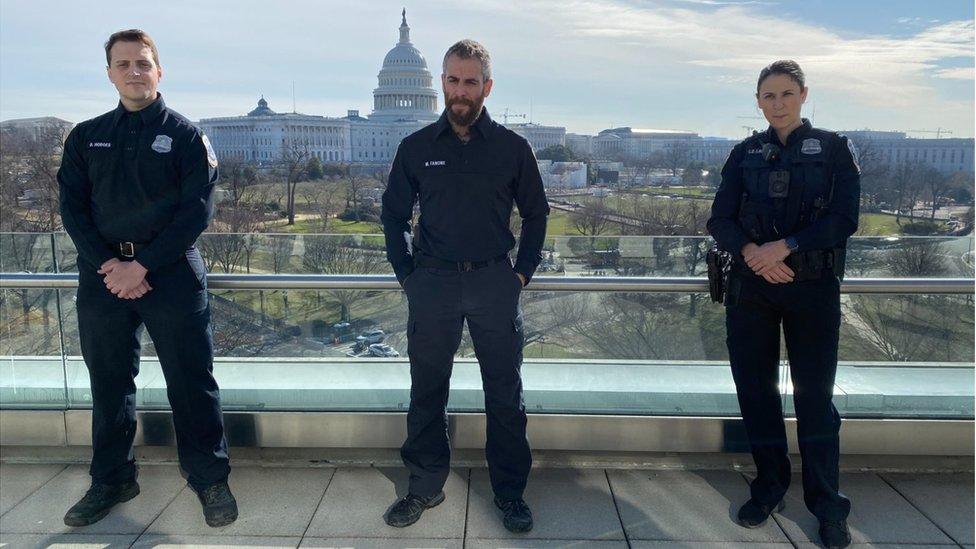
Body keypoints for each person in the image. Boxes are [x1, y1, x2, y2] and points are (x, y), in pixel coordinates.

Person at [58, 29, 237, 528]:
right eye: (124, 64)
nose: (134, 72)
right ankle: (112, 479)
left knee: (191, 380)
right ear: (110, 72)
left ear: (159, 70)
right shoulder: (85, 135)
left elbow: (195, 212)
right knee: (109, 386)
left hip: (172, 274)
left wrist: (143, 265)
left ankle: (209, 479)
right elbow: (72, 209)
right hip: (104, 278)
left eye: (143, 63)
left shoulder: (185, 136)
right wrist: (112, 266)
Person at [380, 39, 549, 533]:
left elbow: (537, 214)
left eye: (470, 82)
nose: (460, 90)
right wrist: (407, 276)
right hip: (431, 281)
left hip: (495, 281)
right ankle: (424, 485)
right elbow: (392, 216)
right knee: (427, 391)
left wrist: (522, 273)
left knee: (504, 392)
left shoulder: (514, 149)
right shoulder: (415, 148)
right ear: (442, 84)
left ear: (486, 87)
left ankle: (510, 492)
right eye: (452, 80)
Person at [707, 60, 860, 549]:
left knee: (815, 400)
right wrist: (755, 254)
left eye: (786, 94)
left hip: (812, 289)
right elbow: (720, 219)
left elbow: (844, 219)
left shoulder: (834, 150)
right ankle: (769, 485)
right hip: (752, 288)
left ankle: (827, 504)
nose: (777, 104)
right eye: (768, 96)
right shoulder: (743, 153)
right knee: (757, 394)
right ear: (757, 101)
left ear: (803, 95)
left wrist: (786, 245)